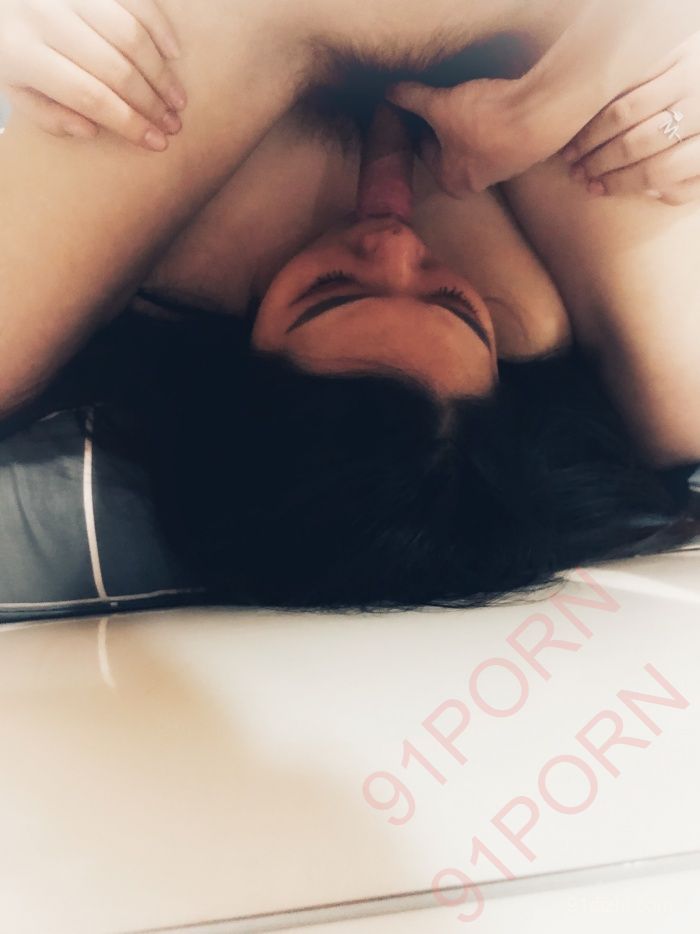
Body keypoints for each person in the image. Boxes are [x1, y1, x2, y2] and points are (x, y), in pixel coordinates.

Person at [0, 0, 697, 609]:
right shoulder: (662, 372)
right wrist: (626, 54)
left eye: (328, 292)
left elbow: (259, 17)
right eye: (455, 300)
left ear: (236, 368)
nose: (395, 244)